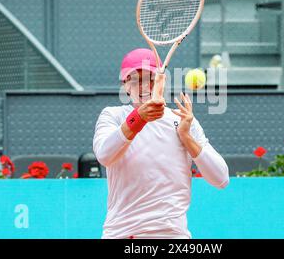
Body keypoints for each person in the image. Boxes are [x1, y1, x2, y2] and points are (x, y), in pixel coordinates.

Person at [93, 48, 229, 239]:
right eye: (135, 80)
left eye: (149, 78)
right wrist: (138, 118)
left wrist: (187, 138)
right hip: (124, 234)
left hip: (174, 237)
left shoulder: (183, 120)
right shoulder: (113, 116)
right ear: (126, 86)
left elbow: (221, 178)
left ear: (161, 82)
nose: (143, 86)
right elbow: (105, 155)